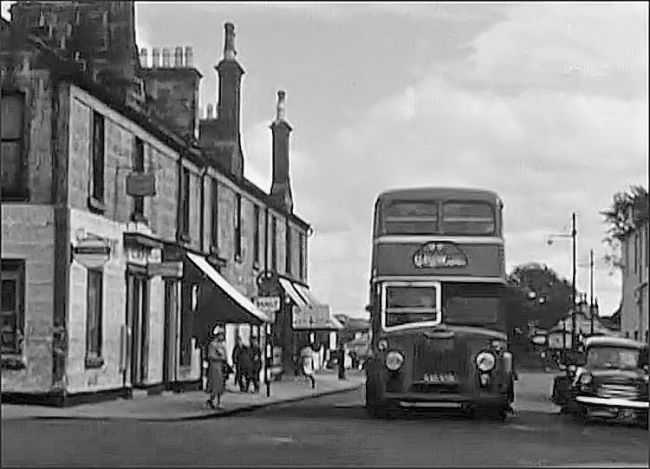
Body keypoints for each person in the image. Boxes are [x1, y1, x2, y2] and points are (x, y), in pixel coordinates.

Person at [206, 330, 227, 410]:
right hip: (214, 367)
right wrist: (220, 357)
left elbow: (225, 355)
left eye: (223, 335)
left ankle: (218, 402)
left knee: (220, 385)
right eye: (221, 335)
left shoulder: (222, 345)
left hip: (220, 366)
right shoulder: (213, 345)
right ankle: (212, 400)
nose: (222, 337)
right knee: (215, 384)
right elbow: (211, 356)